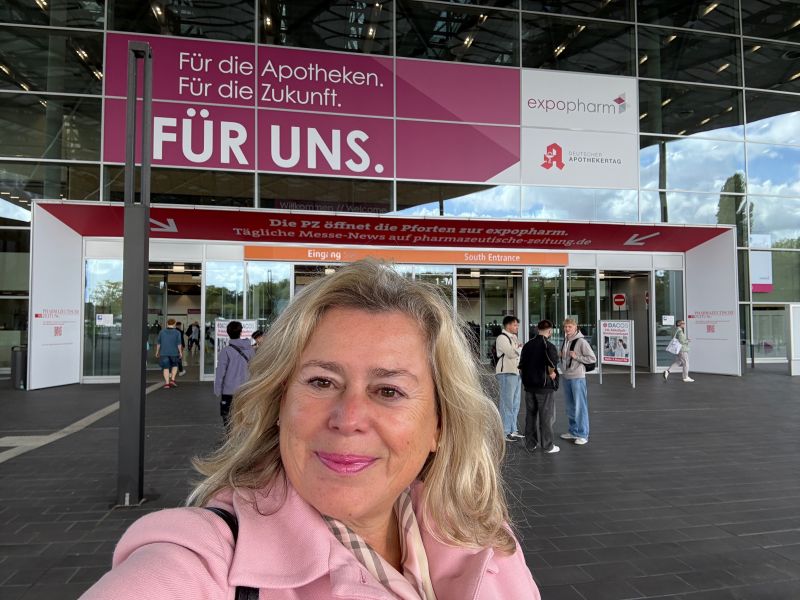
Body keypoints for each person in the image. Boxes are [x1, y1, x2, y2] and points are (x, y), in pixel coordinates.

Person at [80, 259, 540, 600]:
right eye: (321, 382)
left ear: (439, 424)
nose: (348, 418)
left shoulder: (482, 535)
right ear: (280, 401)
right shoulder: (204, 562)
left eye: (388, 391)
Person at [519, 319, 560, 454]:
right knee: (546, 417)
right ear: (550, 331)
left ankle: (530, 444)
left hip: (529, 387)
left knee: (530, 416)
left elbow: (521, 366)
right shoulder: (548, 346)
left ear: (537, 329)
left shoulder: (527, 345)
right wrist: (552, 374)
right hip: (544, 387)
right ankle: (548, 446)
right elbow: (552, 365)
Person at [559, 318, 596, 446]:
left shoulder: (581, 342)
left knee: (580, 406)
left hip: (577, 378)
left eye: (569, 326)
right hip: (566, 377)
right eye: (565, 327)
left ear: (576, 327)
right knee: (570, 407)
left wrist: (577, 357)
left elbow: (592, 358)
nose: (567, 329)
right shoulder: (566, 340)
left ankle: (583, 434)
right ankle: (573, 431)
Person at [214, 321, 255, 427]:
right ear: (241, 332)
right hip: (246, 388)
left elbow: (220, 372)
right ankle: (243, 438)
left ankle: (231, 438)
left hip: (229, 390)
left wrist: (217, 389)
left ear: (228, 333)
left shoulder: (226, 351)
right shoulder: (250, 350)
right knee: (245, 416)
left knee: (228, 417)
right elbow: (254, 368)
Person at [495, 315, 524, 443]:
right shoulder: (502, 338)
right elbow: (512, 353)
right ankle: (505, 432)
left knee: (515, 402)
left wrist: (518, 348)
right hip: (506, 372)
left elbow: (517, 352)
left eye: (517, 325)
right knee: (507, 403)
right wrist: (519, 348)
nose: (517, 327)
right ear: (507, 325)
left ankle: (513, 429)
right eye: (515, 325)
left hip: (516, 372)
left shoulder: (514, 338)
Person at [155, 319, 183, 389]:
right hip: (174, 353)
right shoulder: (177, 332)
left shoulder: (162, 332)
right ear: (174, 324)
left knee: (166, 368)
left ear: (167, 323)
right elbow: (179, 344)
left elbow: (159, 343)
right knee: (175, 365)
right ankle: (172, 380)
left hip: (164, 353)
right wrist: (180, 352)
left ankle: (167, 383)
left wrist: (157, 351)